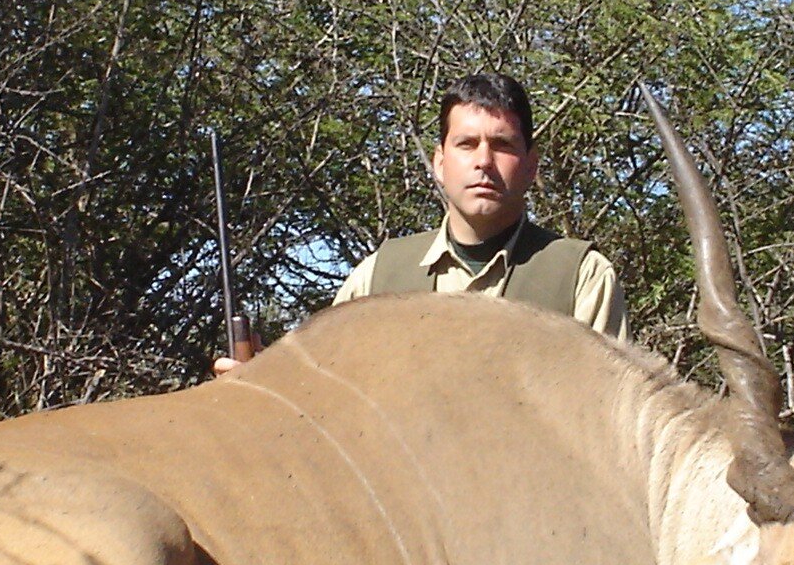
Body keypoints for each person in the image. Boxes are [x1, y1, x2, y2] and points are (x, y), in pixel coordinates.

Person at [214, 73, 627, 374]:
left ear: (531, 165)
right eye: (466, 144)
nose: (483, 161)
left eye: (502, 145)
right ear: (440, 162)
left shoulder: (581, 276)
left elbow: (609, 423)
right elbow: (324, 396)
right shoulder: (379, 274)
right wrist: (261, 380)